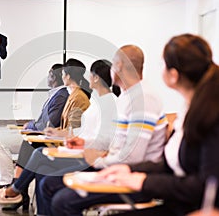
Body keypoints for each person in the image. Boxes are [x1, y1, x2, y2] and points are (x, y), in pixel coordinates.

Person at [51, 34, 219, 216]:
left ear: (173, 75)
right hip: (161, 187)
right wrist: (92, 148)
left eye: (163, 64)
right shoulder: (185, 109)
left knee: (62, 199)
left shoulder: (146, 100)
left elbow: (203, 183)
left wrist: (137, 177)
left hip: (179, 201)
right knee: (52, 185)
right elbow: (167, 164)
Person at [39, 44, 169, 216]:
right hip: (115, 168)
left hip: (132, 178)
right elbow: (112, 140)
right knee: (48, 183)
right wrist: (84, 143)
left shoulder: (143, 99)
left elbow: (133, 157)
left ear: (119, 67)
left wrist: (98, 162)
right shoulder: (126, 97)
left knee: (63, 201)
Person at [0, 58, 96, 213]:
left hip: (70, 147)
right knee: (33, 151)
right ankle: (18, 190)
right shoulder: (72, 95)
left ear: (65, 75)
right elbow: (65, 127)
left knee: (35, 151)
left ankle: (15, 188)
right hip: (63, 141)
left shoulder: (75, 96)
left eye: (49, 74)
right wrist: (54, 131)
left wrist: (53, 132)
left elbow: (73, 129)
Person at [0, 63, 69, 191]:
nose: (47, 77)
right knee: (1, 140)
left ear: (54, 76)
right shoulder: (55, 95)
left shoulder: (60, 96)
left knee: (1, 143)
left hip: (43, 139)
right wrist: (31, 125)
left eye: (49, 74)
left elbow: (49, 123)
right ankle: (7, 182)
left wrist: (31, 125)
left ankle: (8, 183)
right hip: (37, 134)